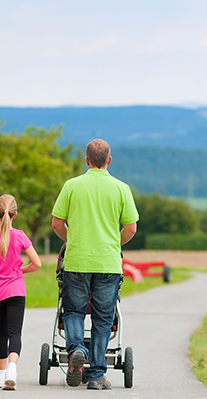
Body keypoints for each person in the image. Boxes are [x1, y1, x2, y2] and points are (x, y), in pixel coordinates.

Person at [51, 138, 138, 390]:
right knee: (102, 318)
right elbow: (131, 228)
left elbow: (57, 223)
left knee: (74, 311)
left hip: (77, 260)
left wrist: (73, 240)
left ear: (86, 160)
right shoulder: (121, 188)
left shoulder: (71, 186)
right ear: (109, 161)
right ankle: (97, 375)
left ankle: (77, 350)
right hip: (108, 262)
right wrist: (115, 244)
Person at [0, 194, 41, 390]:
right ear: (15, 215)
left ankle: (0, 374)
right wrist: (20, 270)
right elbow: (37, 263)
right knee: (15, 333)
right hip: (16, 290)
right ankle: (12, 369)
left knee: (1, 333)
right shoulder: (20, 236)